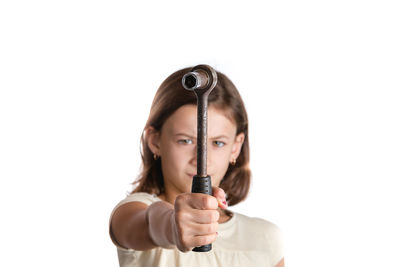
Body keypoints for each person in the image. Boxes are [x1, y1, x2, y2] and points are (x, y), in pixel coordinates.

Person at [109, 66, 285, 267]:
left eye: (218, 143)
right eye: (185, 141)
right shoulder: (131, 212)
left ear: (236, 147)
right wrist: (171, 226)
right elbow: (150, 223)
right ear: (155, 141)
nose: (202, 158)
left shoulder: (266, 239)